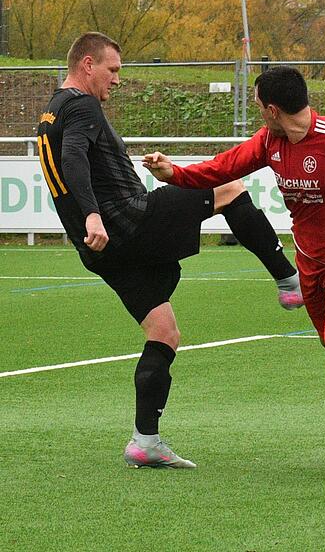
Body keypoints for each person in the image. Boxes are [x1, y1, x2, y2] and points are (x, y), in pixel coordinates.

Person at [142, 65, 325, 482]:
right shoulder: (270, 140)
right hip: (310, 262)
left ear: (273, 109)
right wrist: (177, 174)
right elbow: (226, 167)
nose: (258, 111)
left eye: (259, 104)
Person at [37, 32, 303, 470]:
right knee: (229, 187)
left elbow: (77, 159)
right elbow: (74, 160)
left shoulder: (52, 109)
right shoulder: (83, 105)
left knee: (164, 332)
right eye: (113, 70)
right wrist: (92, 214)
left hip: (102, 252)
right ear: (88, 64)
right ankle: (288, 279)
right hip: (128, 221)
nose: (117, 80)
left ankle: (146, 440)